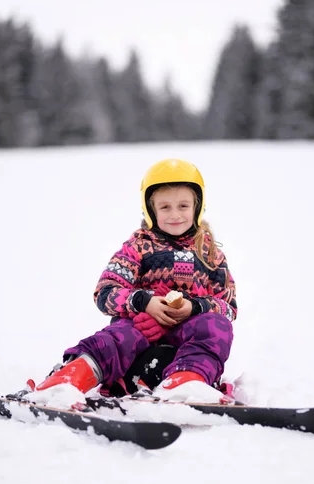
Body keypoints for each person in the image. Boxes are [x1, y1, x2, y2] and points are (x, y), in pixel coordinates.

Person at [30, 158, 238, 402]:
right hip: (138, 337)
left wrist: (195, 307)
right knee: (117, 337)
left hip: (185, 341)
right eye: (165, 207)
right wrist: (143, 302)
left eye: (183, 206)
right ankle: (70, 378)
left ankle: (185, 382)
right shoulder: (137, 247)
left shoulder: (211, 255)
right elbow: (105, 293)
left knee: (216, 327)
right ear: (151, 210)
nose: (175, 215)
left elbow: (228, 308)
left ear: (197, 206)